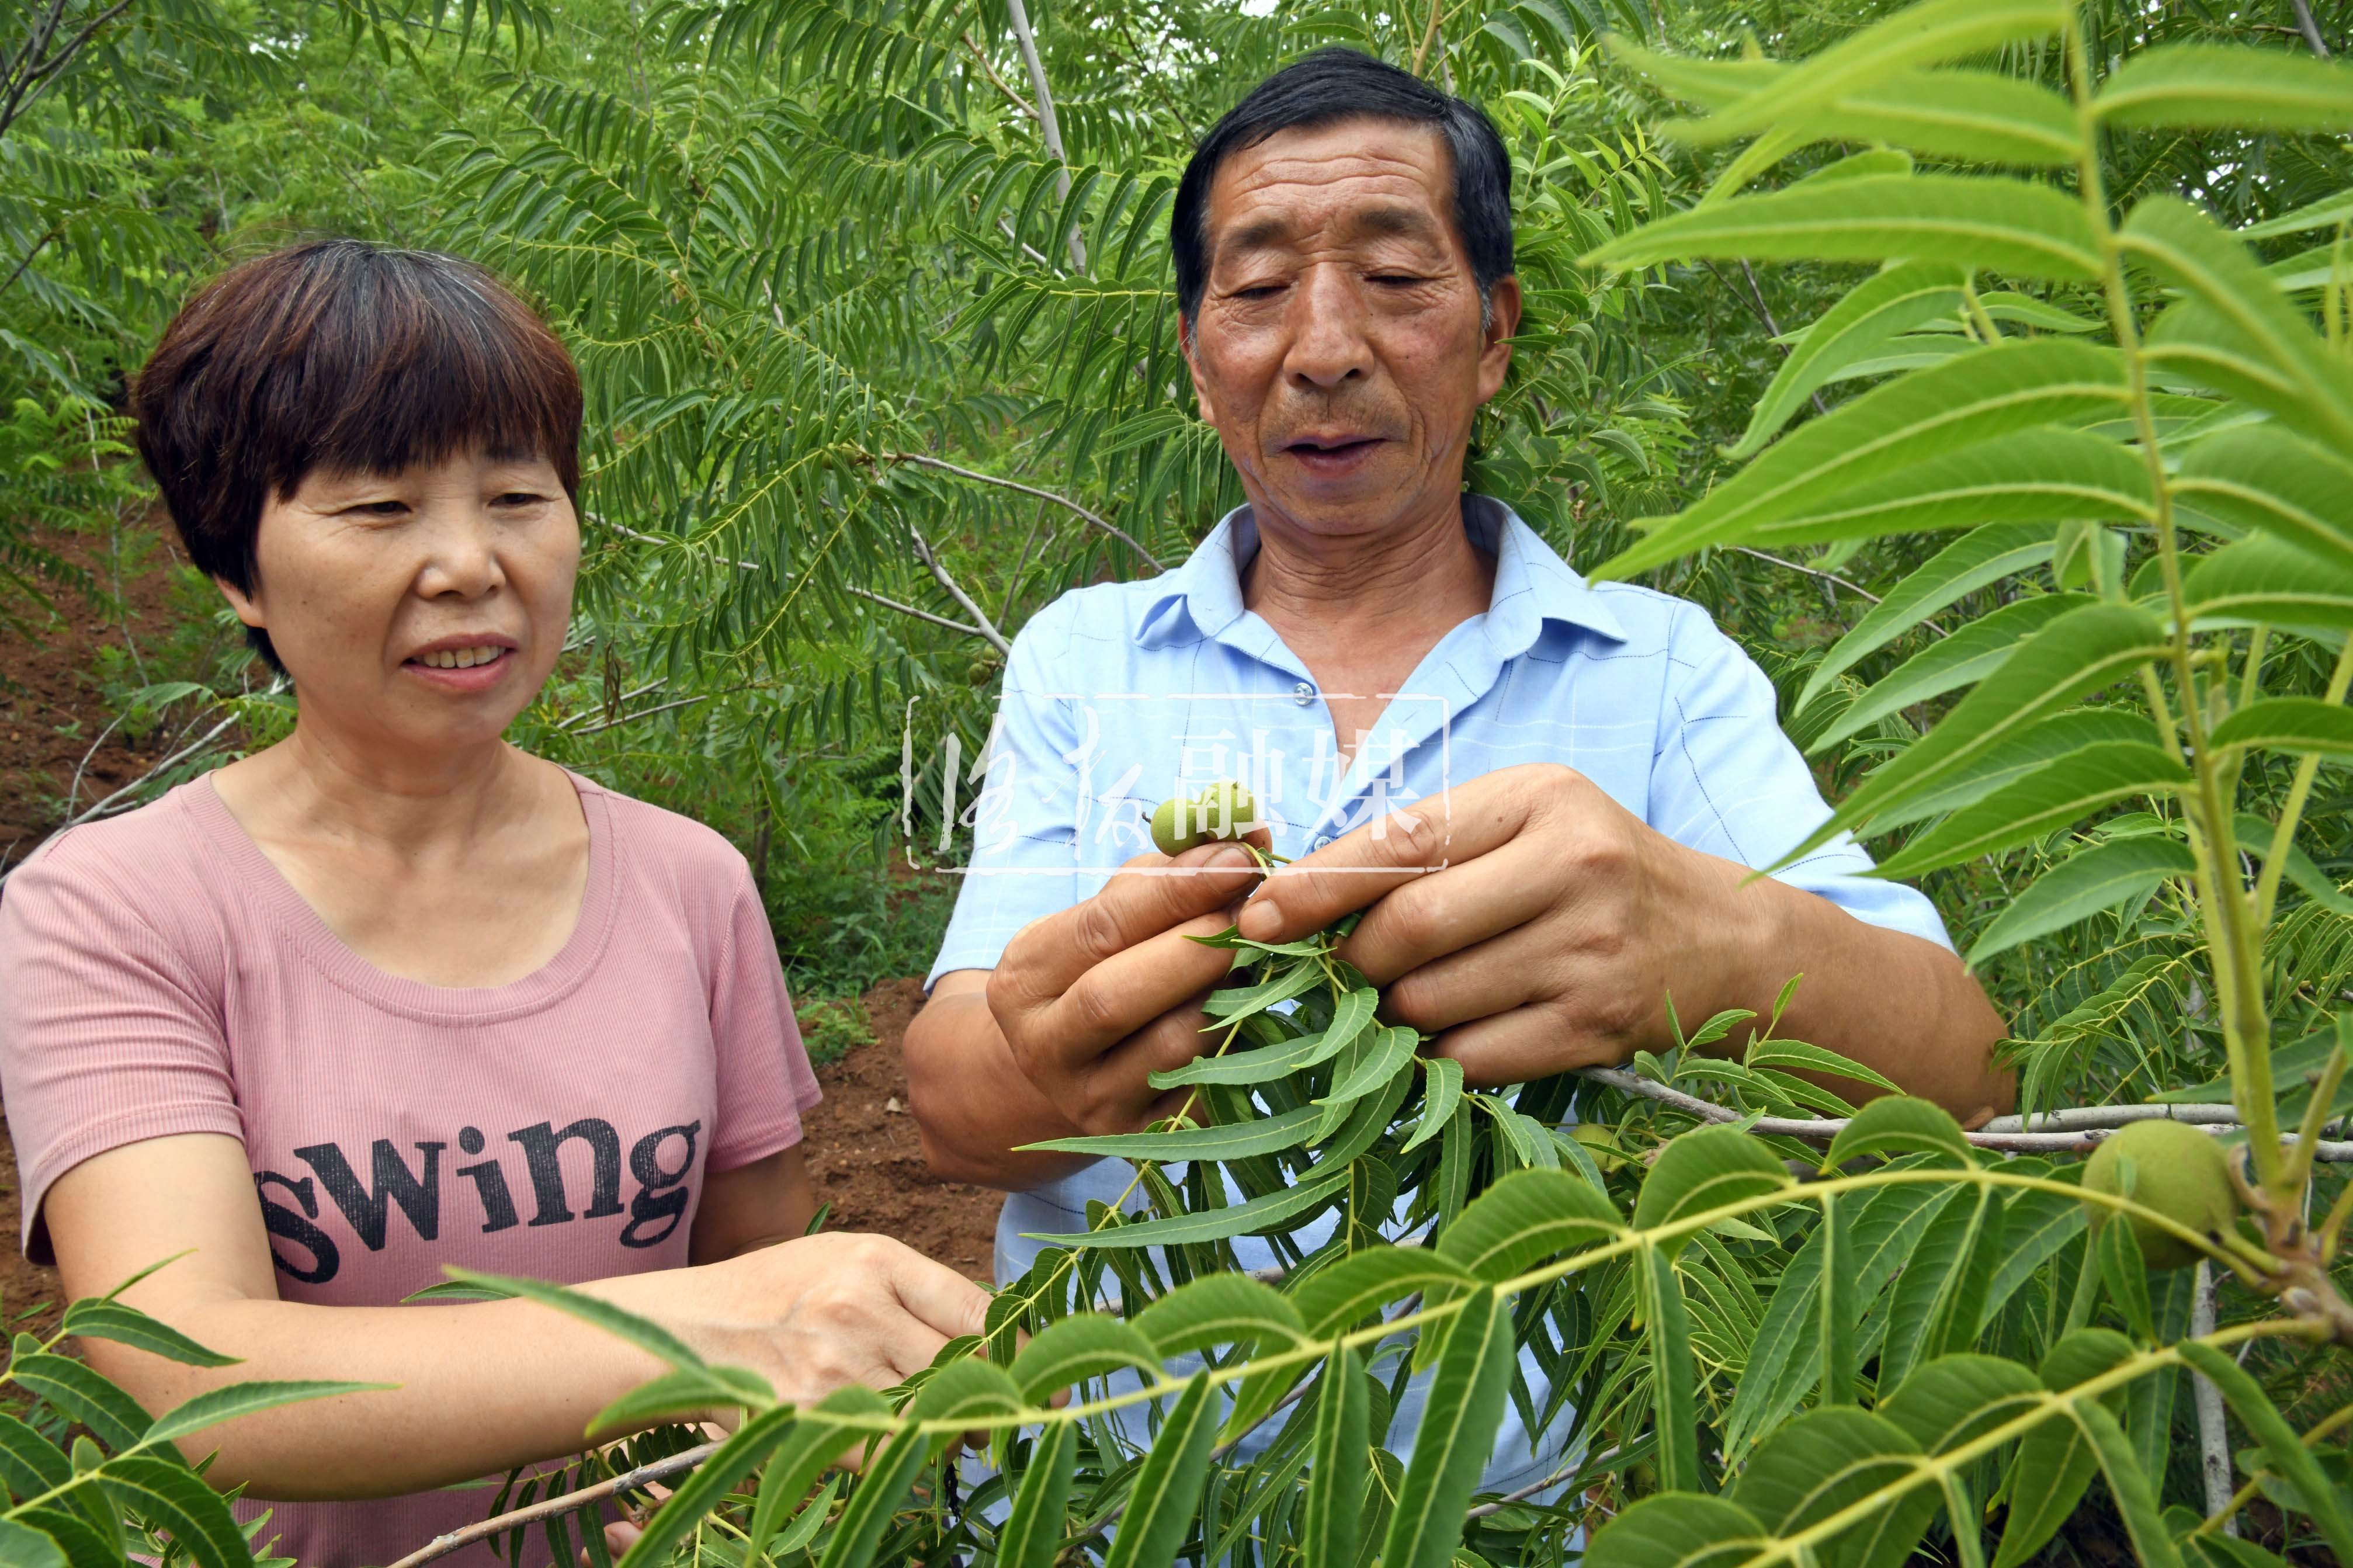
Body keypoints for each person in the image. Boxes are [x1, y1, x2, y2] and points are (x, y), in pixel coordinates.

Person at [903, 48, 2012, 1494]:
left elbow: (1968, 1074)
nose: (1322, 347)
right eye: (1253, 290)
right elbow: (949, 1104)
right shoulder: (1082, 658)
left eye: (1393, 277)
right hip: (1102, 1502)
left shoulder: (1653, 673)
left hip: (1495, 1521)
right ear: (1195, 352)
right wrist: (1067, 1055)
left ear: (1492, 332)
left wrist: (1718, 944)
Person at [0, 241, 991, 1566]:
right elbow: (187, 1382)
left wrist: (737, 1485)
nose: (469, 563)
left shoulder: (690, 885)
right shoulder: (113, 910)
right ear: (232, 565)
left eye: (517, 495)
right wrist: (701, 1338)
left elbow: (764, 1282)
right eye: (379, 508)